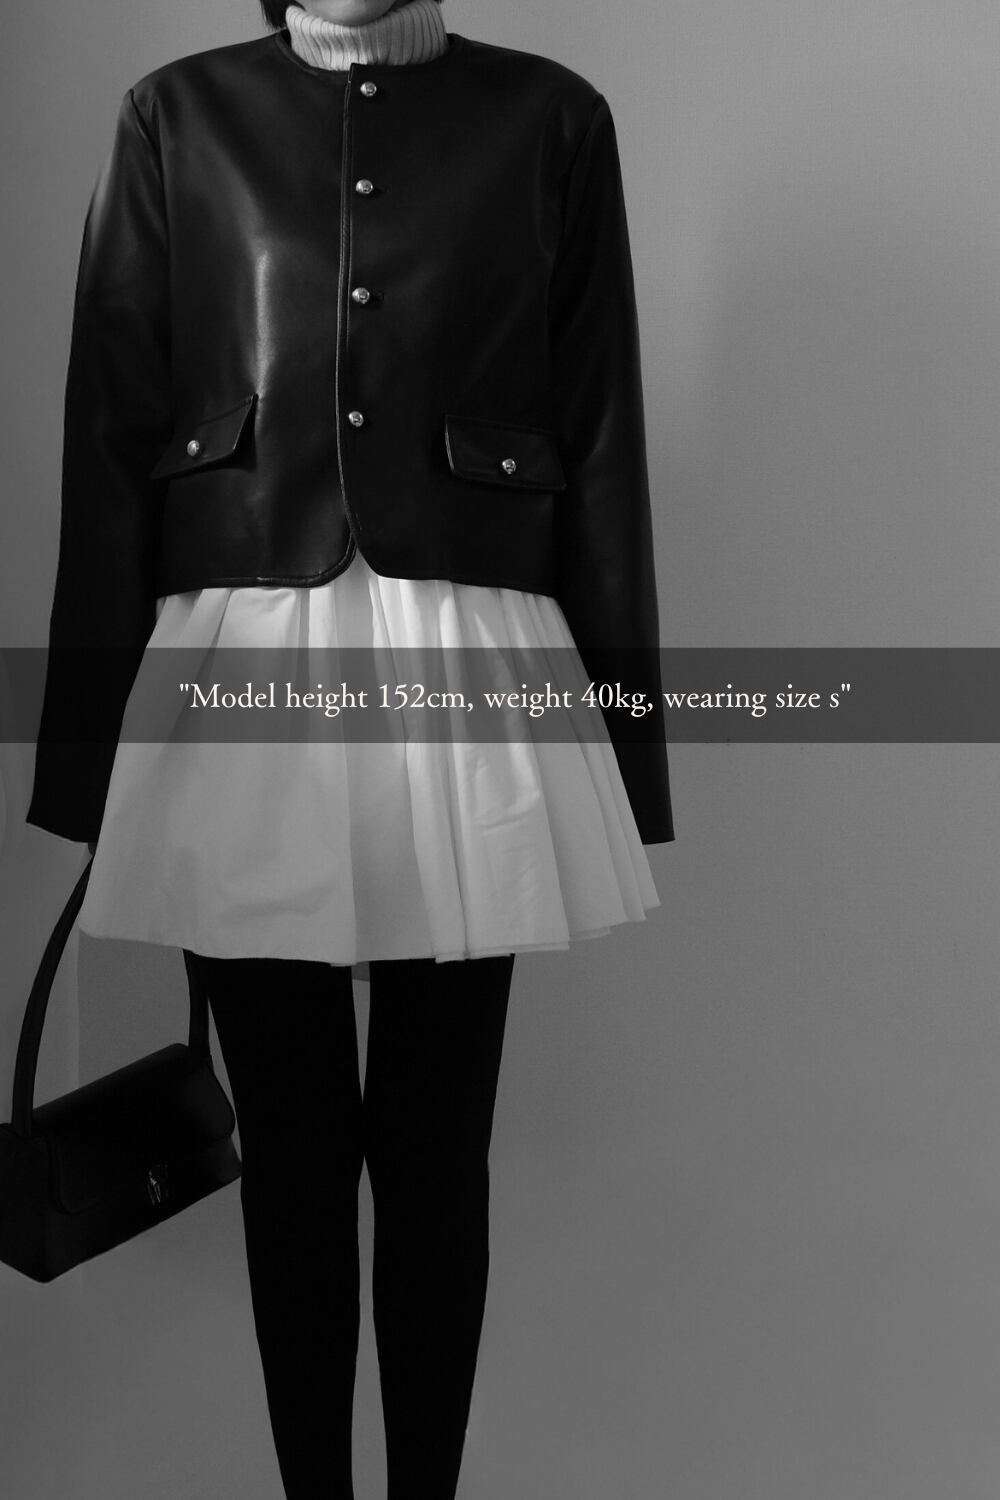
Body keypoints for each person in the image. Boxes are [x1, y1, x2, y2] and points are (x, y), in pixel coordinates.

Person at [26, 1, 675, 1495]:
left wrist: (628, 740)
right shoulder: (176, 118)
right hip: (243, 661)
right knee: (297, 1151)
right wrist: (84, 758)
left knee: (439, 1151)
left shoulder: (550, 120)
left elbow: (602, 437)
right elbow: (112, 428)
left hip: (474, 667)